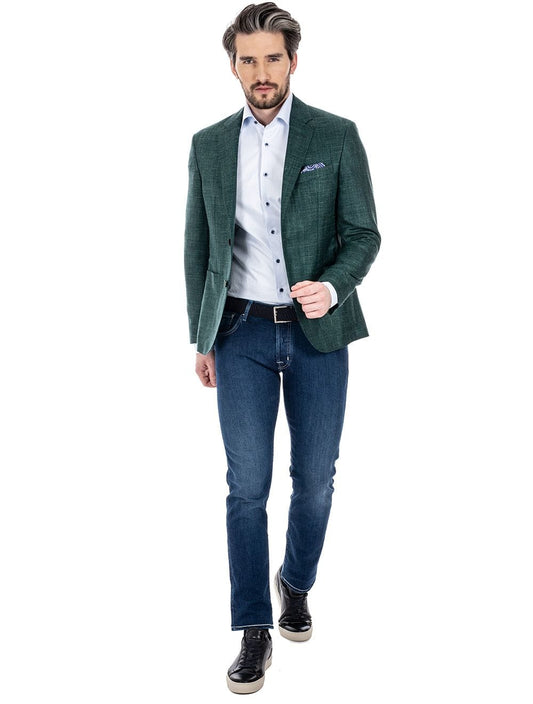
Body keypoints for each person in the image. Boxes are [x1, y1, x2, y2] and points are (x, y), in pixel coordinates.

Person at [184, 2, 380, 694]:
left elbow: (364, 234)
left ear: (293, 61)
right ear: (233, 66)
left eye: (273, 58)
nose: (261, 72)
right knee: (246, 487)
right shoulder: (209, 145)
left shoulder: (336, 134)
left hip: (317, 334)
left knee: (316, 479)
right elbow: (199, 247)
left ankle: (295, 580)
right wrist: (201, 337)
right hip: (238, 333)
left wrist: (333, 285)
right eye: (248, 60)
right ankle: (253, 628)